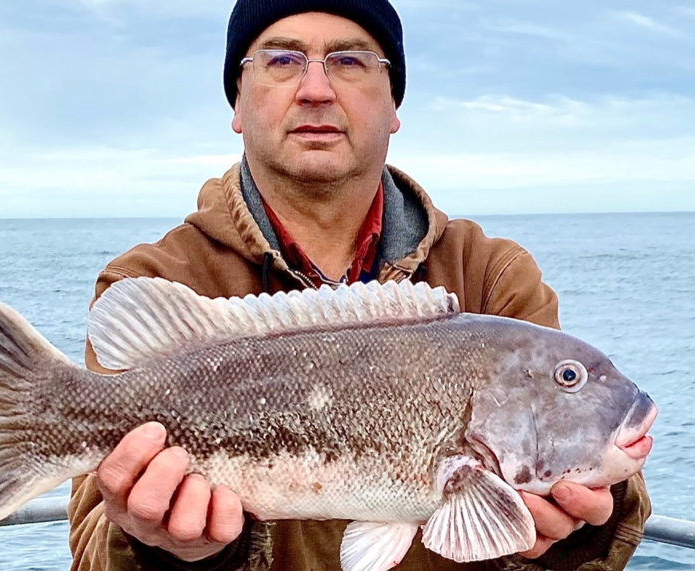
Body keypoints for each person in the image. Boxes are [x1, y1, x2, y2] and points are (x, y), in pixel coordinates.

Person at [68, 1, 651, 570]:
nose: (316, 89)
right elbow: (91, 551)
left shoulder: (491, 275)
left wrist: (578, 534)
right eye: (281, 60)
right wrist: (174, 552)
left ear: (393, 102)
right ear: (237, 103)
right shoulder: (162, 280)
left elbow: (599, 506)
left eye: (349, 61)